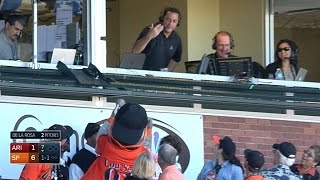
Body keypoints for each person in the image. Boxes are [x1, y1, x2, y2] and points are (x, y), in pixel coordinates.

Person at [82, 103, 149, 180]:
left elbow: (102, 133)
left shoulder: (105, 145)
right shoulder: (143, 154)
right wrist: (149, 131)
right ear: (143, 132)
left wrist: (112, 117)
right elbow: (147, 148)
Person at [131, 7, 182, 71]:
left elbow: (175, 59)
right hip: (142, 74)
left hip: (159, 77)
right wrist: (149, 36)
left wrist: (167, 73)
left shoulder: (177, 39)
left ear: (178, 23)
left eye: (174, 21)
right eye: (168, 19)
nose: (170, 24)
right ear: (162, 18)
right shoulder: (150, 30)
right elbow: (134, 51)